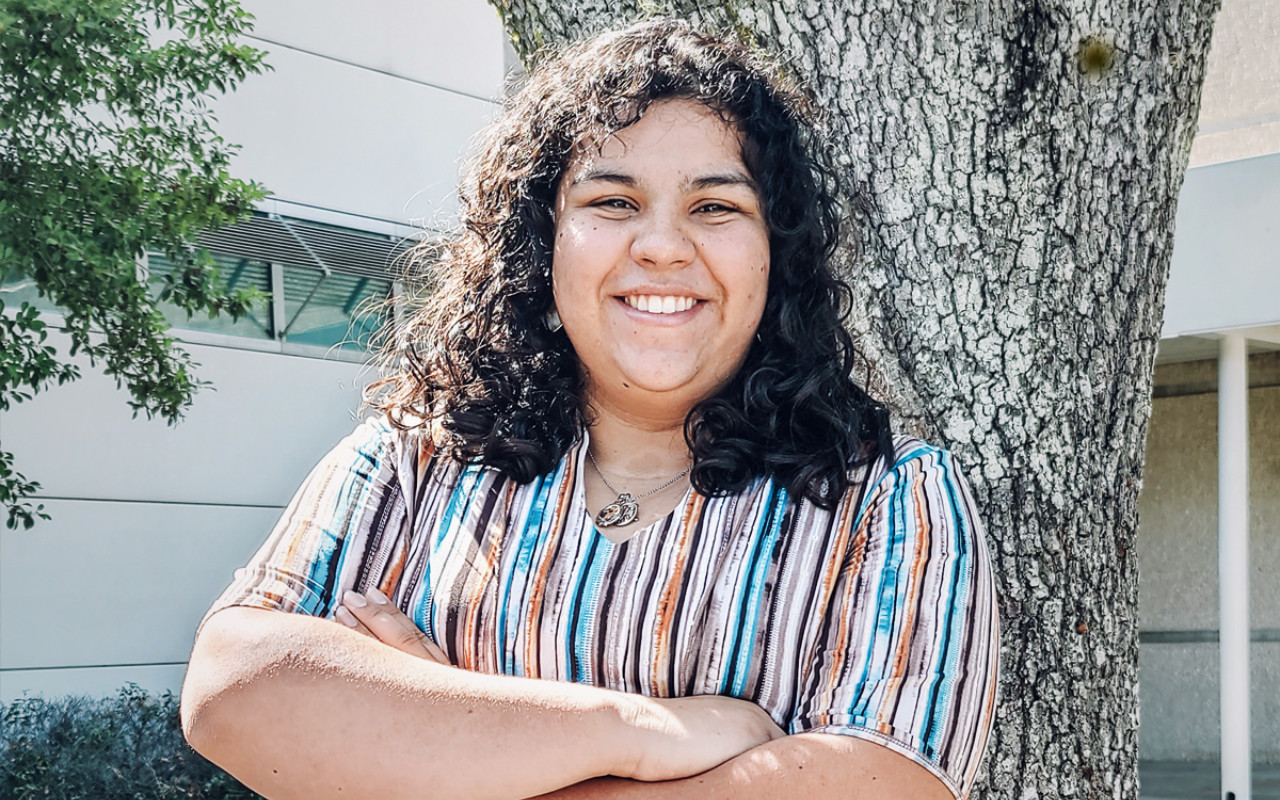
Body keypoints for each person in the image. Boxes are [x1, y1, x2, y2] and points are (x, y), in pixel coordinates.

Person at [180, 19, 999, 800]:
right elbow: (233, 688)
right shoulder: (415, 457)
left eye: (716, 207)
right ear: (543, 242)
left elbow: (884, 782)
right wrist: (638, 731)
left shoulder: (888, 499)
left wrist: (437, 740)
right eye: (613, 201)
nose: (663, 245)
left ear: (776, 255)